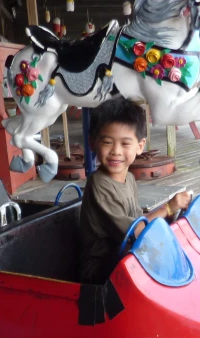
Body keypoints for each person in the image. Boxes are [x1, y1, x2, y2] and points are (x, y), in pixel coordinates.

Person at [79, 97, 192, 284]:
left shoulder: (129, 179)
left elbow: (138, 217)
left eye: (125, 144)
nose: (116, 151)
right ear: (92, 143)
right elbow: (136, 231)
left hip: (125, 256)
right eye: (107, 142)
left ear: (140, 146)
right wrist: (168, 208)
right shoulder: (99, 184)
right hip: (101, 270)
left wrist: (171, 216)